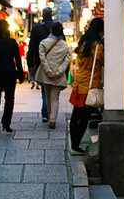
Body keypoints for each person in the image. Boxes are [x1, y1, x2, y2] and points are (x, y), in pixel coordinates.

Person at [68, 18, 104, 155]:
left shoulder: (83, 43)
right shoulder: (97, 47)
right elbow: (106, 61)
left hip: (79, 84)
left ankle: (74, 145)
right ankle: (75, 147)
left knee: (76, 115)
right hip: (89, 86)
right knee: (84, 118)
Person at [0, 19, 24, 137]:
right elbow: (18, 60)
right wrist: (21, 74)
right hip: (9, 73)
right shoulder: (12, 42)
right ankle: (6, 123)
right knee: (9, 99)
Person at [36, 22, 71, 129]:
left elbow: (42, 59)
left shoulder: (43, 43)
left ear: (51, 30)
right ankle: (53, 120)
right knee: (55, 97)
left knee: (47, 96)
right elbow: (67, 60)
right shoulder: (65, 45)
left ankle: (50, 116)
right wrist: (59, 72)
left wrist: (48, 71)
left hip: (46, 75)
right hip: (58, 76)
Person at [28, 7, 55, 121]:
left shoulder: (37, 28)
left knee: (44, 86)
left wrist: (30, 63)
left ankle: (45, 111)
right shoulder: (56, 26)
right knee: (53, 89)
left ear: (42, 15)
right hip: (55, 61)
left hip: (41, 61)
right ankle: (51, 112)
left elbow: (32, 47)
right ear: (51, 14)